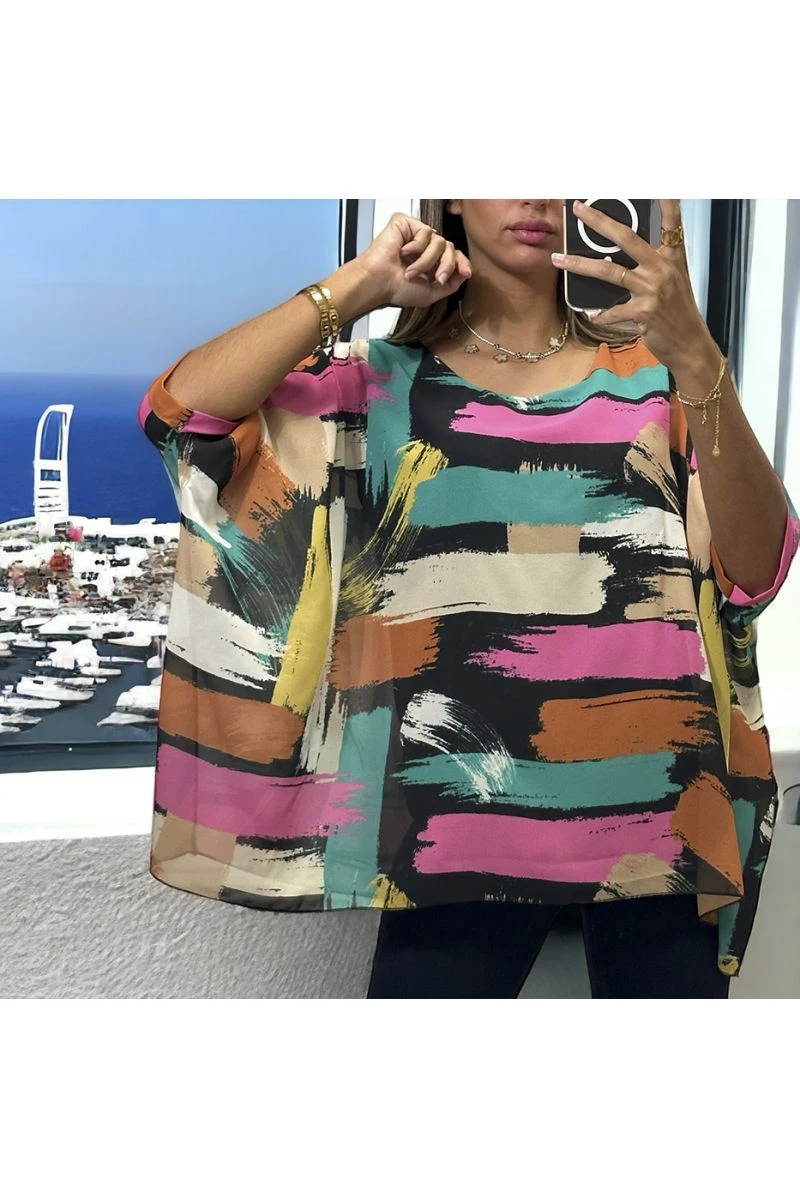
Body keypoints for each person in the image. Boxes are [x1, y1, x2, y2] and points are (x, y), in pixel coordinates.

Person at [138, 200, 800, 1000]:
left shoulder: (659, 380)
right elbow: (184, 416)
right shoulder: (375, 387)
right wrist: (357, 286)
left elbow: (756, 571)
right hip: (452, 827)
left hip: (663, 814)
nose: (532, 196)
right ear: (450, 193)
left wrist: (697, 356)